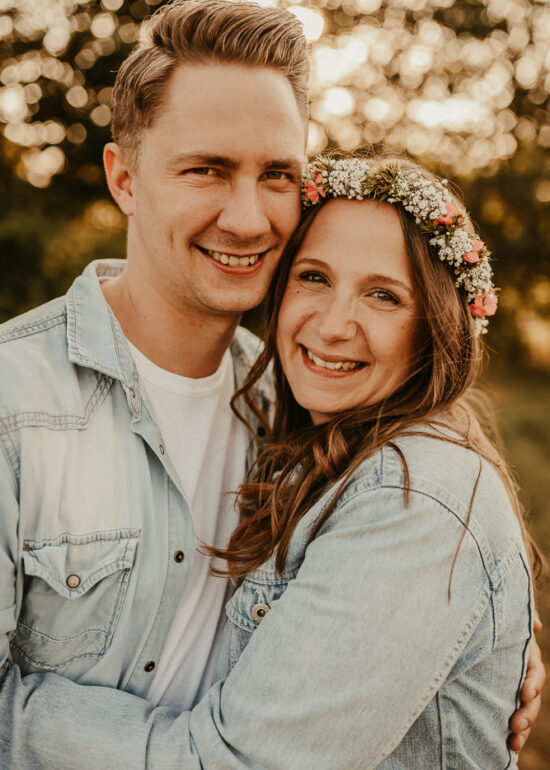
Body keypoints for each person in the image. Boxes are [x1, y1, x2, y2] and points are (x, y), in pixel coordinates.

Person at [0, 0, 543, 765]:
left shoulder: (295, 424)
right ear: (123, 177)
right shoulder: (13, 407)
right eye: (207, 170)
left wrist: (484, 629)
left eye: (277, 175)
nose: (249, 218)